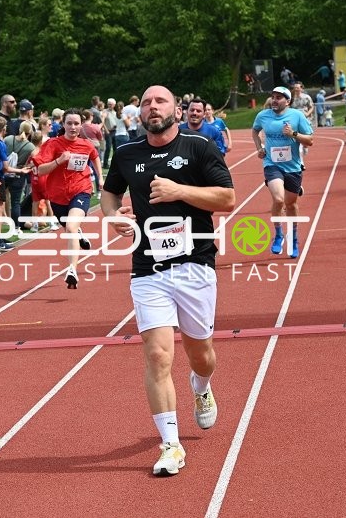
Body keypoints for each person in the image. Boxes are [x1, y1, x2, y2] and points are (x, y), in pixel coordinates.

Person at [101, 85, 235, 476]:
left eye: (159, 101)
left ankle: (201, 386)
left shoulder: (199, 147)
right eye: (145, 103)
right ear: (138, 113)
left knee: (201, 352)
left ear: (176, 107)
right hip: (148, 266)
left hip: (195, 263)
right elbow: (109, 196)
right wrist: (115, 217)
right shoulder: (126, 153)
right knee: (158, 354)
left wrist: (180, 191)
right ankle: (171, 444)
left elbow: (226, 199)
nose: (152, 107)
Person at [31, 108, 103, 289]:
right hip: (57, 195)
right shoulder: (53, 144)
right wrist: (59, 160)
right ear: (63, 124)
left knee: (70, 226)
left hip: (81, 190)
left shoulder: (86, 144)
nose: (73, 127)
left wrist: (100, 178)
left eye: (76, 123)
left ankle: (72, 269)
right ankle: (78, 233)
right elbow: (40, 170)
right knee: (70, 227)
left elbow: (95, 158)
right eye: (69, 123)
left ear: (81, 125)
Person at [251, 86, 314, 259]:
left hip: (293, 167)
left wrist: (293, 134)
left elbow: (310, 140)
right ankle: (278, 234)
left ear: (288, 101)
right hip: (272, 164)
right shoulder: (262, 116)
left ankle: (293, 238)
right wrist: (259, 148)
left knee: (291, 204)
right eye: (273, 97)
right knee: (278, 199)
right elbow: (255, 130)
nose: (274, 100)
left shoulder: (297, 116)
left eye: (279, 97)